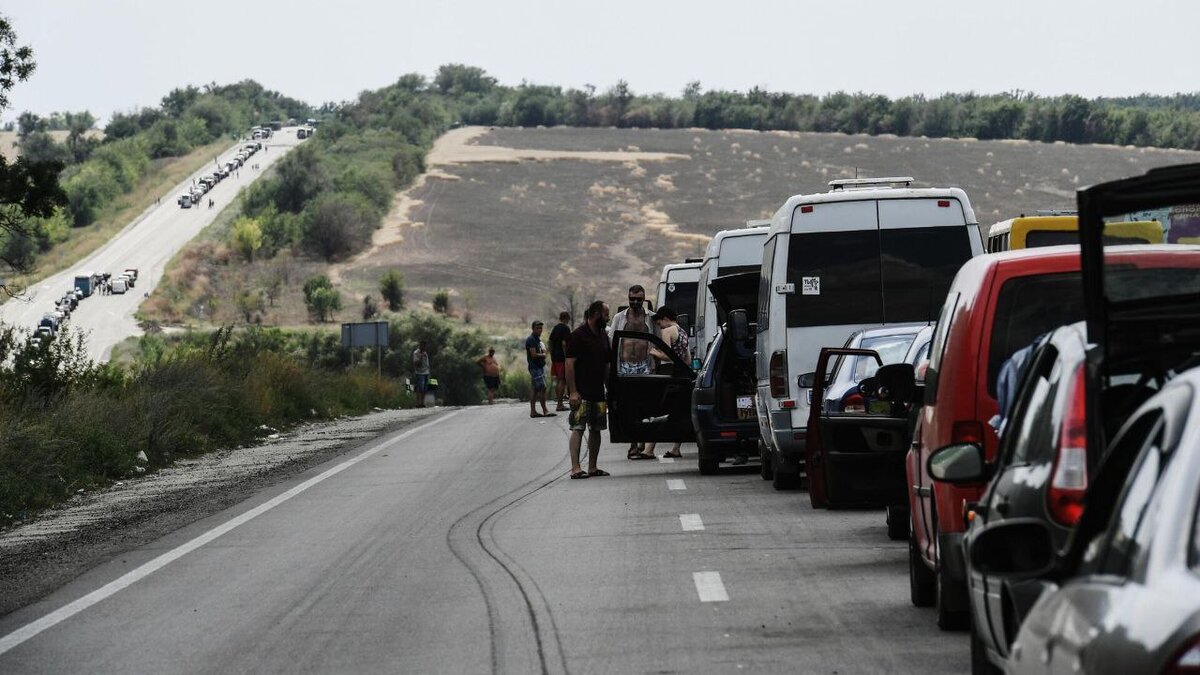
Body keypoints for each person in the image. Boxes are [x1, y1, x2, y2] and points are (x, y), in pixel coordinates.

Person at [610, 284, 658, 459]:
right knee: (628, 406)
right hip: (624, 367)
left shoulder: (651, 319)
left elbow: (659, 342)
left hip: (645, 365)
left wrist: (656, 366)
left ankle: (644, 442)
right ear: (628, 298)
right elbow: (612, 342)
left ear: (644, 299)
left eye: (639, 299)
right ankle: (633, 445)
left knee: (644, 406)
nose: (635, 302)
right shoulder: (620, 318)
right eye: (632, 299)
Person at [566, 300, 612, 479]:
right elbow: (569, 364)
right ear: (595, 315)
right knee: (578, 427)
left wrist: (609, 388)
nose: (607, 318)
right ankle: (576, 468)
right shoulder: (578, 335)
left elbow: (607, 364)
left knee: (597, 429)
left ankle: (592, 467)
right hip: (581, 392)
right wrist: (573, 391)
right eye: (606, 314)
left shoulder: (602, 335)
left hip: (598, 392)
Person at [649, 306, 689, 459]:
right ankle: (675, 448)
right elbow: (687, 359)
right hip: (682, 374)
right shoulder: (683, 332)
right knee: (679, 412)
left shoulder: (667, 331)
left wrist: (652, 352)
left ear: (665, 318)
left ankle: (648, 449)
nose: (660, 328)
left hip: (669, 373)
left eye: (660, 324)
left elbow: (667, 356)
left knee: (659, 410)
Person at [525, 321, 554, 418]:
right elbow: (533, 355)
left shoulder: (537, 340)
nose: (540, 330)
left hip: (539, 367)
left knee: (535, 389)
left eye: (541, 328)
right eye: (538, 328)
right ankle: (545, 410)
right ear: (533, 328)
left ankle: (533, 412)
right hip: (535, 367)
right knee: (543, 387)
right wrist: (543, 354)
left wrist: (543, 352)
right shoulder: (531, 339)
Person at [548, 311, 572, 411]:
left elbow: (550, 342)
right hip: (562, 358)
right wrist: (567, 357)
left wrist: (552, 354)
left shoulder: (556, 328)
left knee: (558, 380)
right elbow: (564, 344)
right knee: (562, 380)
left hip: (555, 358)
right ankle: (559, 404)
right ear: (567, 319)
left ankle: (559, 402)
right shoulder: (566, 329)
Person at [412, 340, 431, 408]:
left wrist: (429, 372)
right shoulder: (416, 353)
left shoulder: (425, 353)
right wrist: (421, 357)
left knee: (425, 389)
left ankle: (422, 403)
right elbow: (415, 363)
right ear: (421, 346)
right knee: (420, 388)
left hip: (426, 372)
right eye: (424, 346)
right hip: (420, 373)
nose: (425, 348)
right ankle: (418, 403)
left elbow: (427, 364)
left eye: (425, 346)